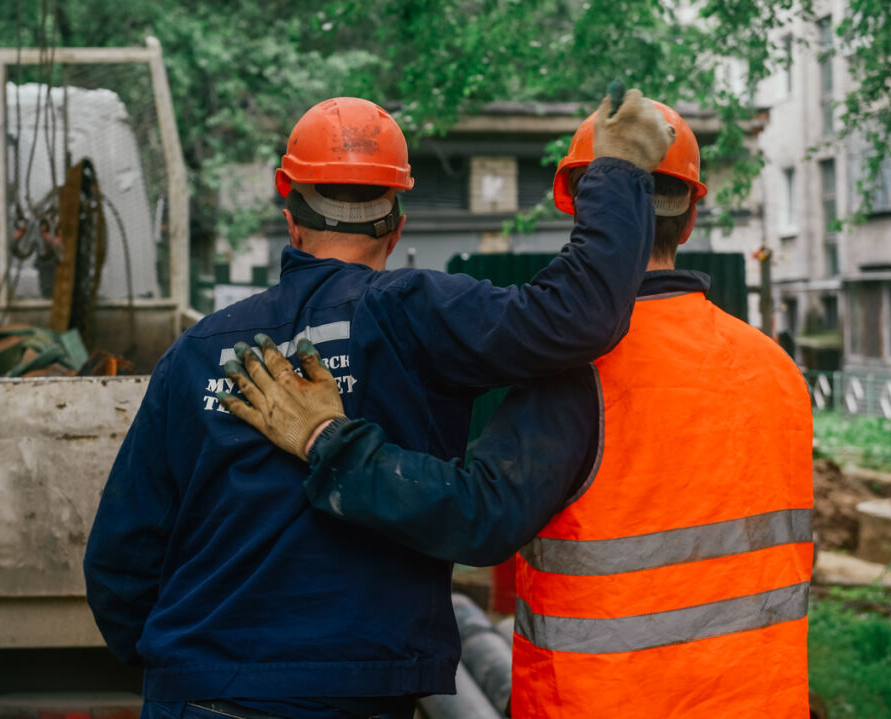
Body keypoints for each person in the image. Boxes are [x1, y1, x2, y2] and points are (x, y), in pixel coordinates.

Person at [84, 91, 676, 719]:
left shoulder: (199, 352)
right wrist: (620, 171)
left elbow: (121, 561)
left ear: (290, 212)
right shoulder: (419, 313)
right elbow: (578, 317)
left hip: (194, 693)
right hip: (347, 695)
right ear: (396, 227)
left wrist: (187, 663)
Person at [220, 103, 815, 718]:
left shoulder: (581, 373)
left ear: (582, 208)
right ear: (690, 219)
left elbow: (477, 517)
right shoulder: (775, 369)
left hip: (605, 704)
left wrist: (326, 438)